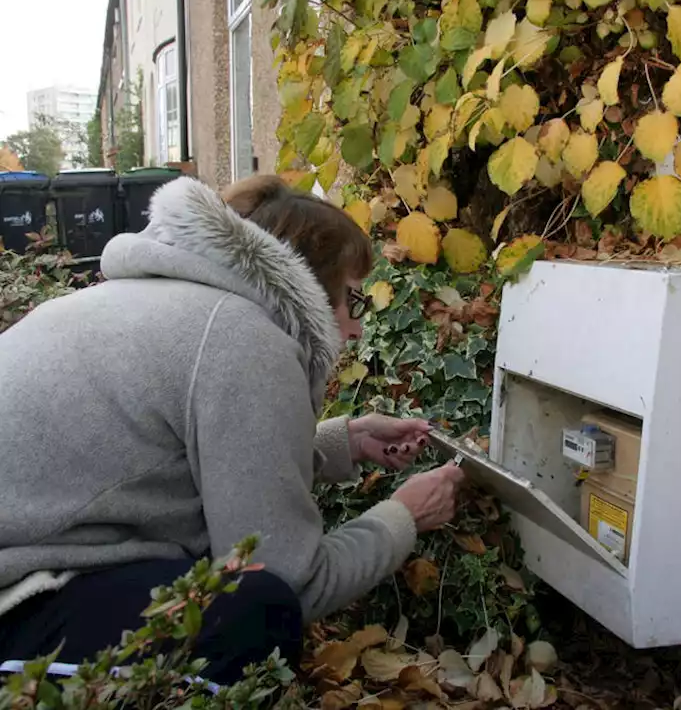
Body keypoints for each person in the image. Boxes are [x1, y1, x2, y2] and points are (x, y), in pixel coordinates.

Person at [0, 175, 464, 684]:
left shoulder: (160, 301)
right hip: (19, 604)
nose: (357, 329)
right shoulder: (242, 338)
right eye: (354, 301)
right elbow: (291, 578)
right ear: (306, 281)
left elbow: (175, 458)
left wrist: (343, 443)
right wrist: (404, 516)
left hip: (28, 569)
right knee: (255, 613)